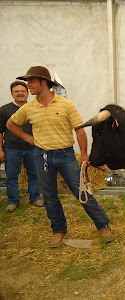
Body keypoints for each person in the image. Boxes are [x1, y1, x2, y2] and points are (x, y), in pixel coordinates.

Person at [7, 66, 113, 247]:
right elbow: (11, 124)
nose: (28, 85)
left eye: (31, 81)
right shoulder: (29, 108)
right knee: (49, 196)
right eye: (27, 82)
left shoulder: (66, 105)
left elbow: (79, 131)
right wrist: (28, 138)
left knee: (82, 193)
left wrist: (85, 154)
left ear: (44, 82)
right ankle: (58, 230)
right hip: (42, 157)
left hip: (66, 156)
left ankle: (103, 225)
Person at [0, 81, 43, 212]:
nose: (20, 94)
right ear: (12, 94)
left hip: (33, 148)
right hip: (12, 149)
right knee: (12, 176)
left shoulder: (35, 107)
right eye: (17, 91)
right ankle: (13, 201)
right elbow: (0, 131)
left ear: (27, 93)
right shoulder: (4, 110)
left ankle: (35, 197)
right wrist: (0, 150)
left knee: (34, 174)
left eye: (22, 91)